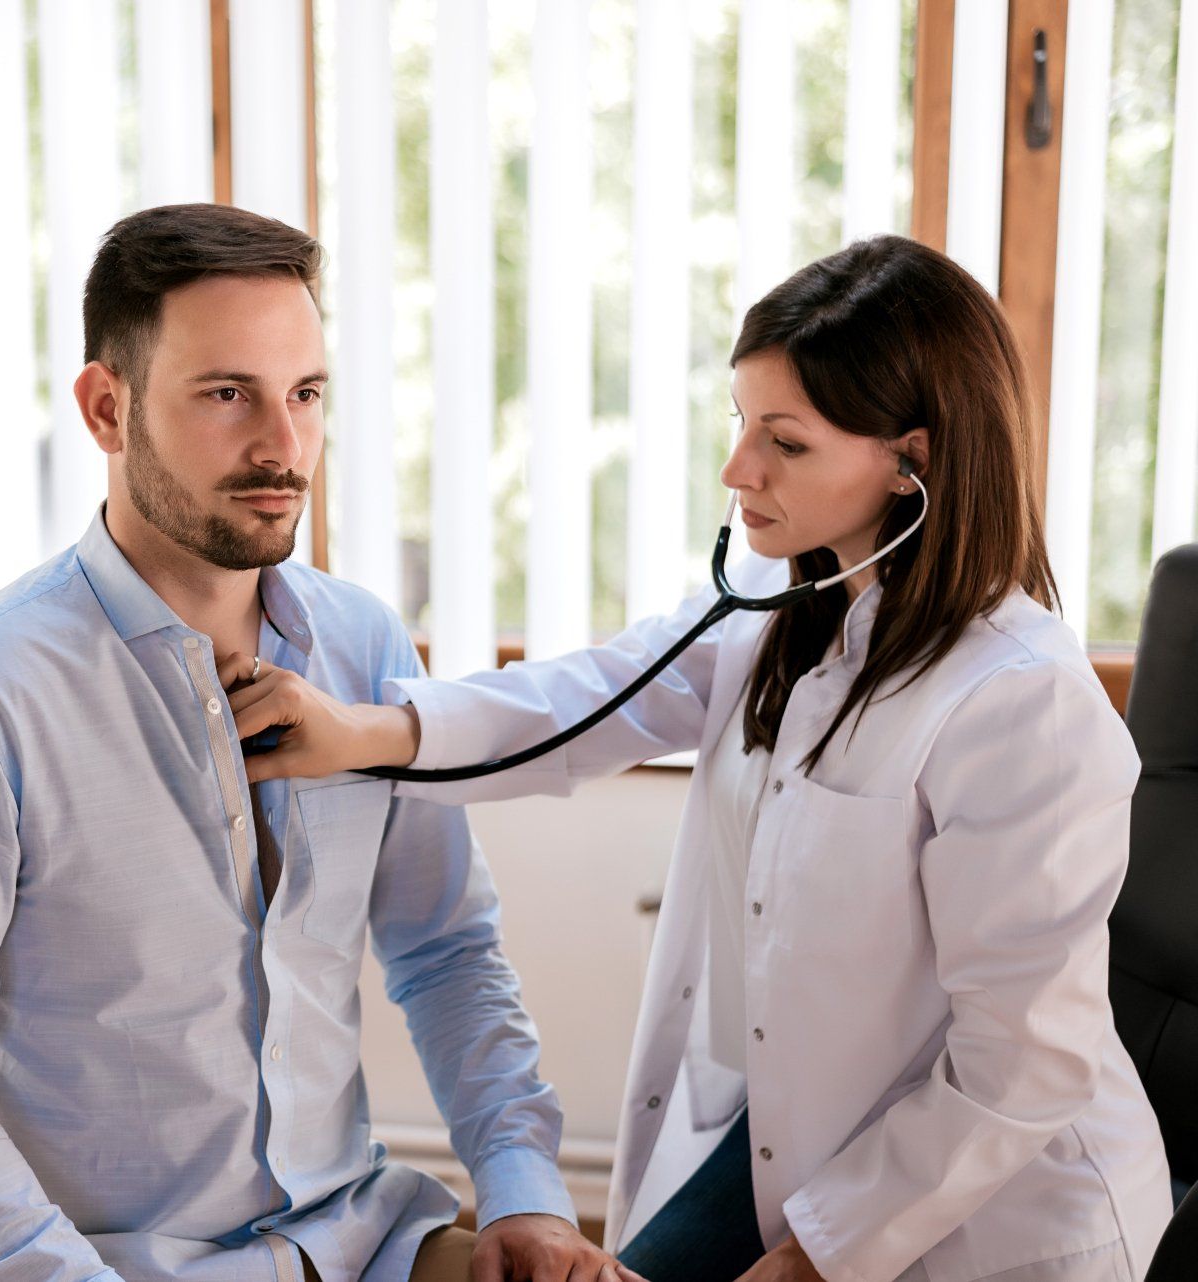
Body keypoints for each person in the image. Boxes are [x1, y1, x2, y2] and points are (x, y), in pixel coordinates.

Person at [223, 236, 1175, 1282]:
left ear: (914, 462)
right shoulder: (782, 623)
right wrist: (359, 733)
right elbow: (583, 700)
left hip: (991, 1210)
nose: (737, 471)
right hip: (803, 1133)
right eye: (741, 425)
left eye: (787, 443)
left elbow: (1022, 1071)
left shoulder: (1020, 701)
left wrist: (815, 1256)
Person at [0, 203, 636, 1282]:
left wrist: (526, 1194)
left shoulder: (359, 642)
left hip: (356, 1236)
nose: (283, 445)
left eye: (306, 393)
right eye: (228, 395)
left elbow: (445, 949)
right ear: (106, 408)